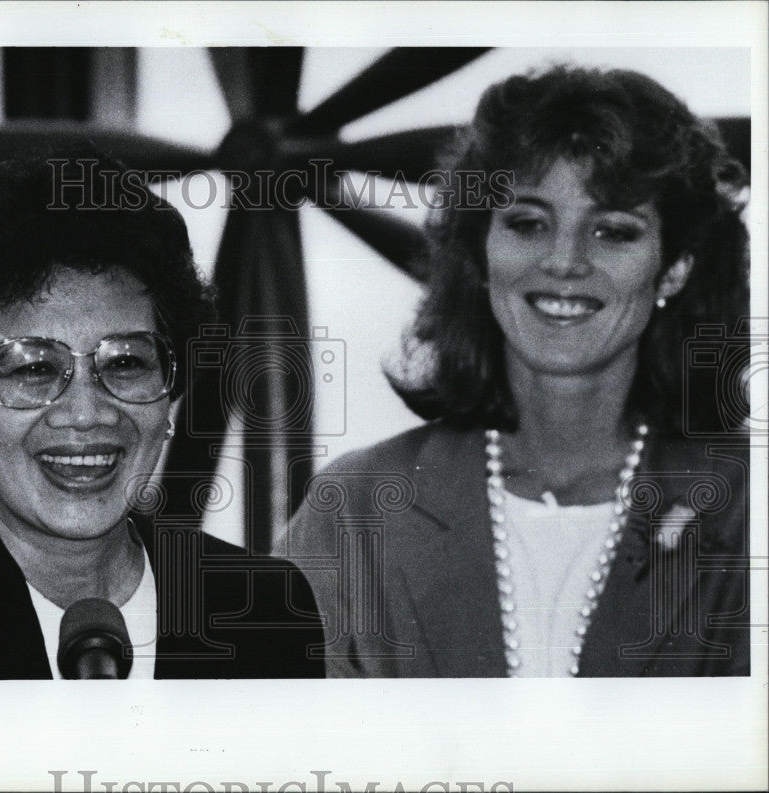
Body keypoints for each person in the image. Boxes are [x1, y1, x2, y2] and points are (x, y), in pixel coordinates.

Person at [281, 65, 751, 677]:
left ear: (674, 269)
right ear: (480, 250)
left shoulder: (745, 507)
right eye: (527, 223)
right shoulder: (354, 509)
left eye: (613, 230)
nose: (563, 262)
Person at [0, 148, 324, 679]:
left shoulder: (265, 608)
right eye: (32, 370)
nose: (86, 412)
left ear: (169, 394)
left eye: (124, 363)